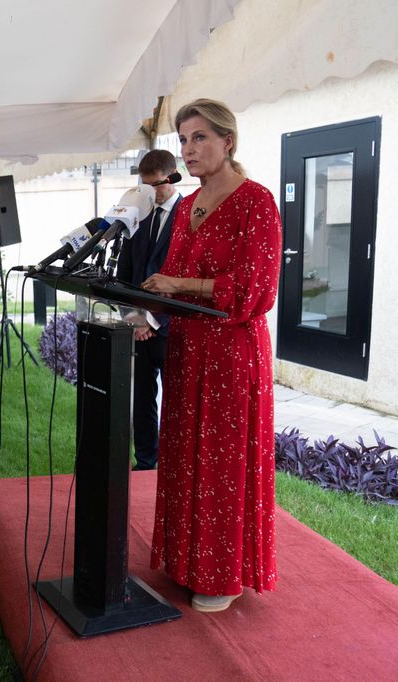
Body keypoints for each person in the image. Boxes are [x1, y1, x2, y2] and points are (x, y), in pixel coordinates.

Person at [141, 98, 281, 613]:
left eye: (199, 137)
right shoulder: (184, 206)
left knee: (222, 461)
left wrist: (180, 284)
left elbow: (255, 291)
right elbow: (168, 280)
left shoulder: (257, 202)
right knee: (185, 453)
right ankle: (186, 560)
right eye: (182, 139)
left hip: (231, 352)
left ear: (228, 142)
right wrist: (147, 315)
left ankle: (223, 574)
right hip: (187, 349)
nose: (188, 148)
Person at [116, 150, 183, 471]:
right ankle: (146, 461)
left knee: (175, 403)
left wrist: (154, 321)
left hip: (173, 328)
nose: (150, 193)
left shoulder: (190, 216)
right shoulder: (138, 215)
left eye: (155, 186)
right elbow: (124, 274)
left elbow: (185, 277)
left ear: (172, 176)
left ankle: (174, 463)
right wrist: (134, 319)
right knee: (141, 399)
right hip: (138, 327)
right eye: (144, 186)